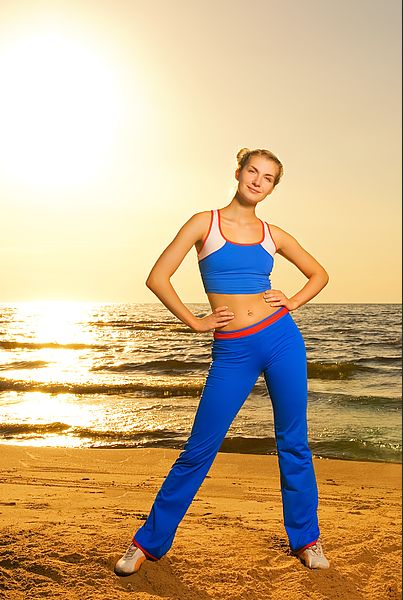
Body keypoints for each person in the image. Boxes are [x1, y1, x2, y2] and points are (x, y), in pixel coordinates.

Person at [115, 148, 330, 576]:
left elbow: (319, 274)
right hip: (233, 348)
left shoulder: (274, 234)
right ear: (238, 172)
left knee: (294, 441)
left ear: (272, 187)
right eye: (253, 171)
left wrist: (293, 300)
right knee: (199, 448)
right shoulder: (204, 223)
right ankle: (147, 543)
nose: (257, 180)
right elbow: (158, 277)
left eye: (267, 177)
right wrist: (196, 322)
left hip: (282, 338)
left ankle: (306, 540)